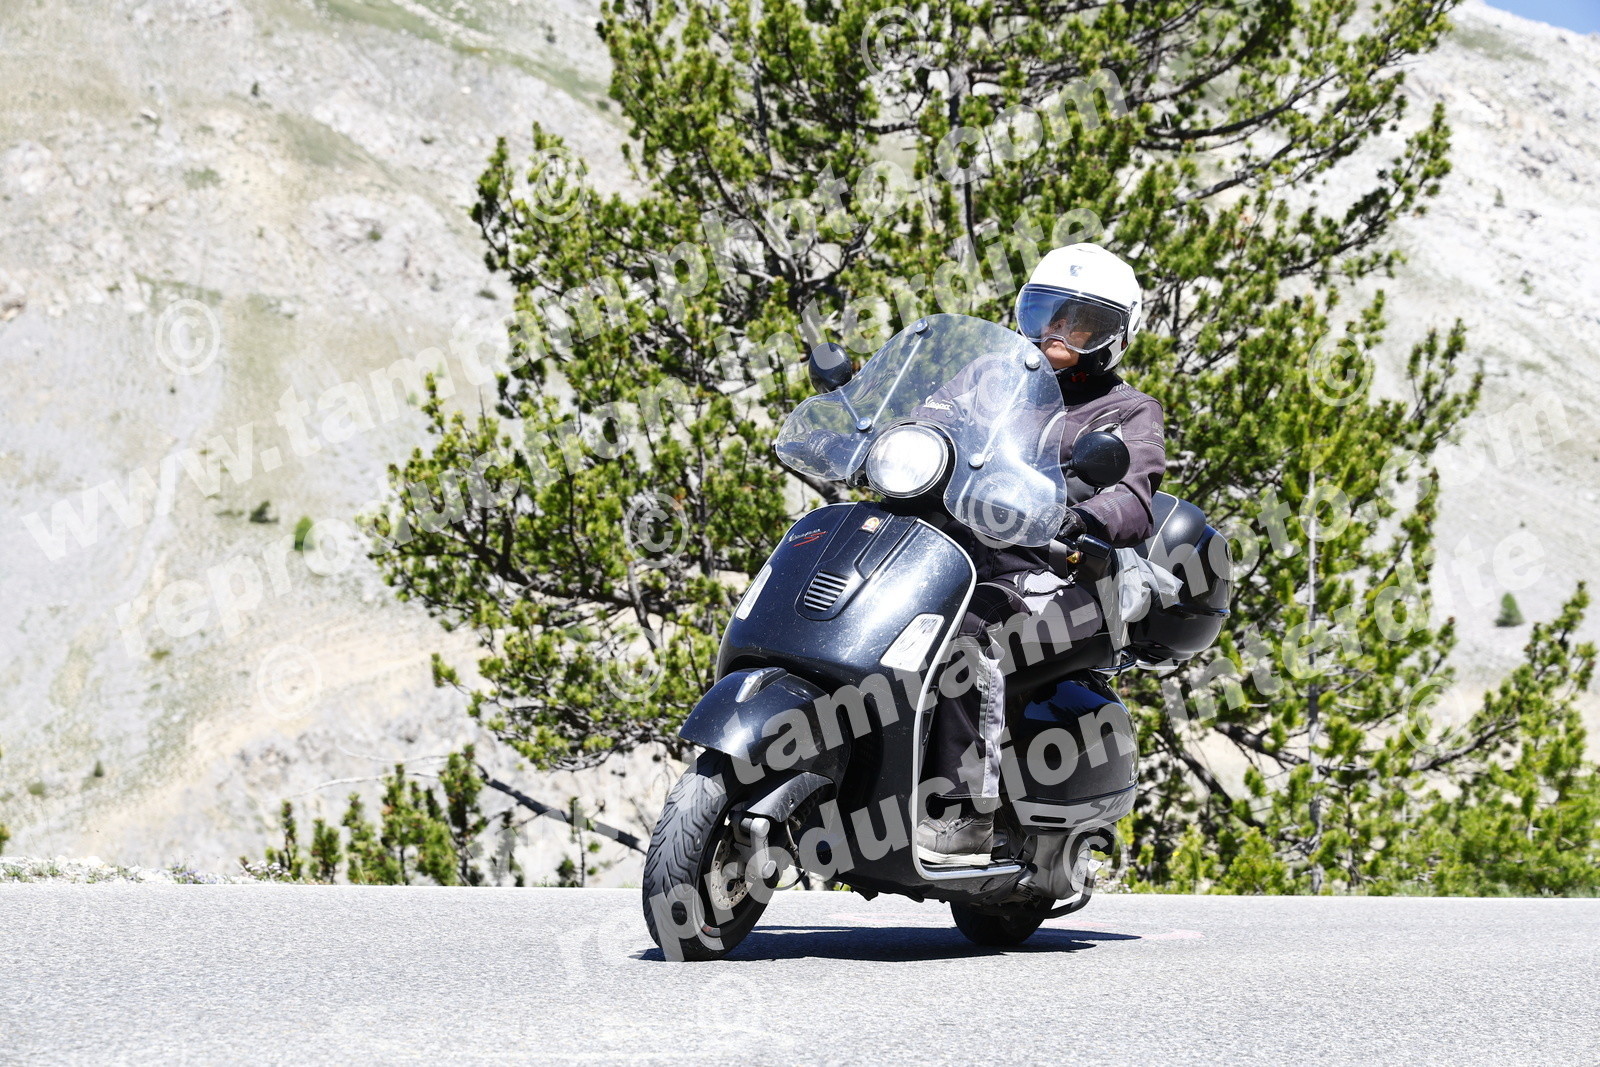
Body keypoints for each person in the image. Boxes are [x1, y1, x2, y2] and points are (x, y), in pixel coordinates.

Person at [914, 243, 1167, 866]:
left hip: (1052, 572)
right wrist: (890, 438)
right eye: (1050, 313)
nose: (1060, 332)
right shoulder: (992, 379)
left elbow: (1134, 498)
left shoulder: (1128, 410)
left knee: (967, 636)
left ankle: (963, 812)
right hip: (959, 552)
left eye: (1083, 324)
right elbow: (927, 421)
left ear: (1114, 337)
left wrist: (1081, 517)